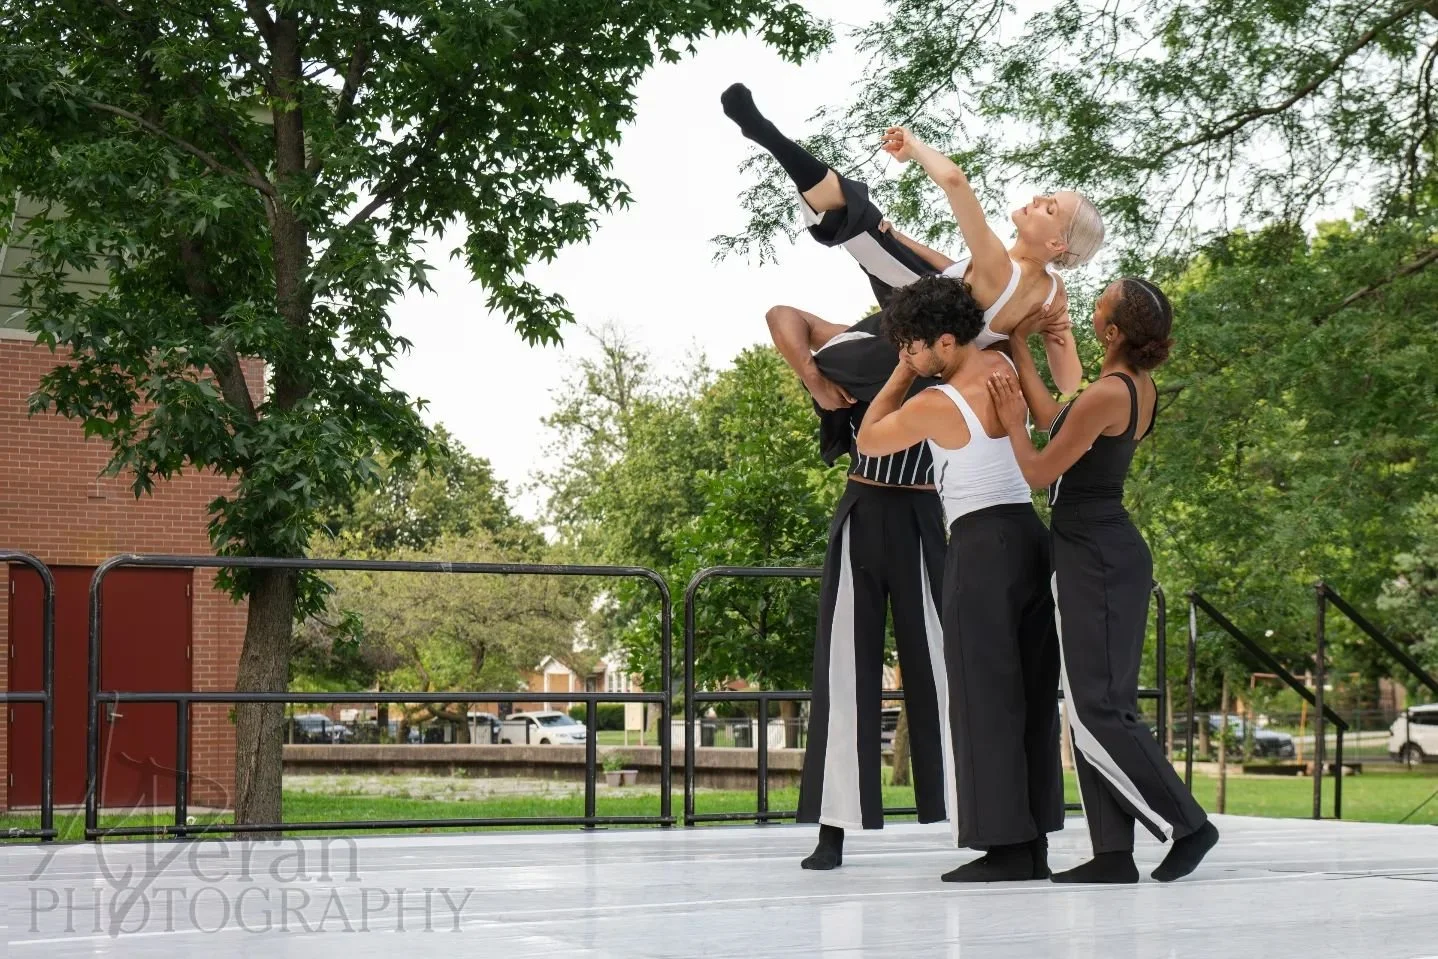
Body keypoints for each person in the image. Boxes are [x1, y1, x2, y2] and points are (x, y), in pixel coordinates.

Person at [987, 278, 1219, 884]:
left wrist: (1010, 420)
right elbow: (1052, 417)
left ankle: (1189, 824)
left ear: (1112, 333)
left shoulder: (1110, 393)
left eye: (1099, 306)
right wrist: (1018, 344)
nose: (1088, 311)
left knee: (1099, 707)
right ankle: (1112, 854)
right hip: (1097, 550)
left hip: (1098, 553)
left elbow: (1038, 469)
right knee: (1089, 706)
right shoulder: (1128, 388)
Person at [854, 275, 1064, 882]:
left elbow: (868, 439)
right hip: (1031, 537)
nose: (909, 358)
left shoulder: (932, 403)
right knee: (1030, 695)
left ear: (945, 342)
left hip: (978, 546)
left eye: (913, 347)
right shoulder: (1001, 361)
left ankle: (1003, 849)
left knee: (980, 698)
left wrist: (900, 379)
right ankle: (1033, 845)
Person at [720, 82, 1106, 396]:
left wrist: (915, 147)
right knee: (863, 221)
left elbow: (955, 182)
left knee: (852, 219)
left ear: (1058, 244)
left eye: (1050, 209)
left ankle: (771, 138)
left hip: (926, 319)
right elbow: (1069, 383)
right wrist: (1050, 333)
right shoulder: (1052, 294)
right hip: (936, 296)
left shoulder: (998, 266)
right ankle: (768, 135)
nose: (1039, 200)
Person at [765, 308, 951, 872]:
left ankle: (974, 817)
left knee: (944, 670)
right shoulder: (867, 342)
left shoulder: (960, 348)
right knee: (843, 672)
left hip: (925, 511)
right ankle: (832, 830)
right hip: (865, 509)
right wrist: (816, 382)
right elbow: (782, 316)